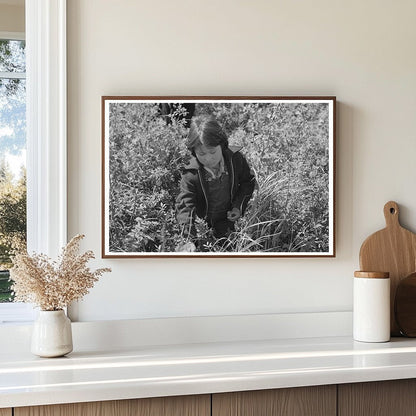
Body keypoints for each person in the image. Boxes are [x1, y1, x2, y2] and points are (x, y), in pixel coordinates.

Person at [175, 115, 255, 252]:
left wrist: (238, 207)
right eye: (201, 153)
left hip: (227, 219)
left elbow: (248, 182)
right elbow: (185, 206)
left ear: (222, 145)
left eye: (212, 151)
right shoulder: (191, 173)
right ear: (193, 151)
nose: (208, 158)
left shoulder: (235, 159)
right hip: (202, 225)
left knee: (229, 249)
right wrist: (188, 238)